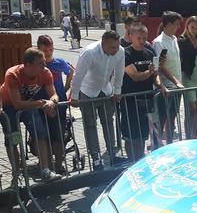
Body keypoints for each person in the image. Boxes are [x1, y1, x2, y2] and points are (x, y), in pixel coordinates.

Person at [0, 48, 61, 181]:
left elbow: (54, 94)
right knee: (12, 139)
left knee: (40, 133)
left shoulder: (45, 73)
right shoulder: (13, 74)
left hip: (29, 104)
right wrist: (41, 103)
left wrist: (52, 102)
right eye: (41, 63)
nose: (45, 65)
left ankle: (45, 170)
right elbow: (17, 104)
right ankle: (16, 174)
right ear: (28, 65)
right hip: (8, 106)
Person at [71, 30, 125, 170]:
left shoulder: (120, 51)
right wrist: (74, 96)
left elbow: (119, 73)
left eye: (117, 46)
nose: (115, 50)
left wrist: (117, 91)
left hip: (105, 90)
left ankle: (112, 154)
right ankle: (95, 158)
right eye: (112, 47)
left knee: (108, 122)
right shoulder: (89, 52)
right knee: (90, 125)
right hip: (87, 90)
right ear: (103, 43)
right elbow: (78, 75)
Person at [121, 24, 161, 161]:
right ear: (131, 36)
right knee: (131, 135)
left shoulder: (150, 53)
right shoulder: (125, 53)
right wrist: (149, 72)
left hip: (147, 99)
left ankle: (140, 159)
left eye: (144, 38)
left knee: (143, 133)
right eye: (139, 38)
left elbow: (156, 74)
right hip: (130, 100)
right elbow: (135, 76)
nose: (142, 41)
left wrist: (160, 85)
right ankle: (131, 160)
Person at [36, 35, 73, 173]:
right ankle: (45, 162)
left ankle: (58, 163)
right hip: (41, 103)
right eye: (45, 50)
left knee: (58, 133)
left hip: (59, 103)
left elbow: (71, 72)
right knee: (43, 135)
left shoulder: (59, 62)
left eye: (50, 50)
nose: (48, 53)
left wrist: (66, 87)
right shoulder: (37, 64)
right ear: (39, 49)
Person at [152, 11, 184, 143]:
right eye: (176, 24)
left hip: (177, 86)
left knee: (172, 117)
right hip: (165, 88)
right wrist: (175, 81)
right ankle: (156, 145)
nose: (178, 27)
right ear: (168, 24)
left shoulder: (174, 39)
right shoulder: (158, 42)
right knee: (161, 119)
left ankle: (169, 144)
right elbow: (158, 66)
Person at [178, 16, 197, 139]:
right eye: (192, 27)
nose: (195, 30)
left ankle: (194, 135)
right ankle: (189, 136)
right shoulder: (182, 40)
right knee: (191, 109)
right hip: (188, 77)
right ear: (187, 27)